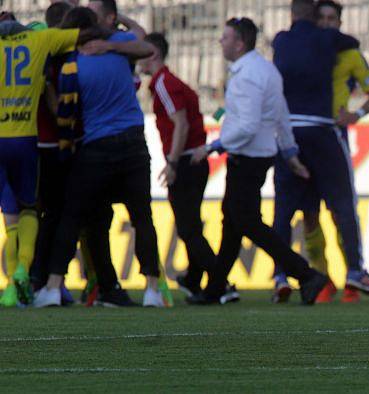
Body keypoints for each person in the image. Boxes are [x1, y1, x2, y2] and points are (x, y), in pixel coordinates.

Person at [189, 17, 328, 306]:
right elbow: (281, 115)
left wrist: (213, 146)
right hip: (258, 156)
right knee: (233, 223)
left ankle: (306, 275)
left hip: (246, 158)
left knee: (248, 223)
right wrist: (290, 154)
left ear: (240, 43)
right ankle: (215, 288)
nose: (221, 42)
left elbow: (248, 126)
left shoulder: (247, 75)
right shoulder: (266, 70)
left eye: (225, 37)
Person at [33, 7, 166, 308]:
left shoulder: (72, 64)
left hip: (96, 147)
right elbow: (147, 46)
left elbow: (62, 113)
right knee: (142, 218)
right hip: (133, 143)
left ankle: (53, 286)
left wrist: (48, 88)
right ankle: (153, 290)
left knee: (72, 216)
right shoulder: (120, 51)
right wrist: (113, 42)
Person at [270, 0, 369, 304]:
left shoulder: (347, 54)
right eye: (322, 17)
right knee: (309, 214)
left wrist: (356, 115)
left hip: (330, 132)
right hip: (320, 131)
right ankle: (323, 277)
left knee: (335, 210)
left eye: (332, 18)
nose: (327, 22)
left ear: (340, 21)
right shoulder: (323, 43)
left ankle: (345, 276)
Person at [0, 9, 107, 306]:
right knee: (34, 211)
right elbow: (85, 35)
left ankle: (12, 286)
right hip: (27, 140)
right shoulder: (42, 41)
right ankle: (25, 269)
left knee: (10, 219)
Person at [139, 32, 216, 299]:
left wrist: (171, 162)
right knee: (190, 223)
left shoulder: (163, 83)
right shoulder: (168, 81)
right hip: (193, 158)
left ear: (153, 54)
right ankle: (194, 279)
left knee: (187, 227)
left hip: (185, 160)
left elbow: (180, 123)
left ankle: (220, 281)